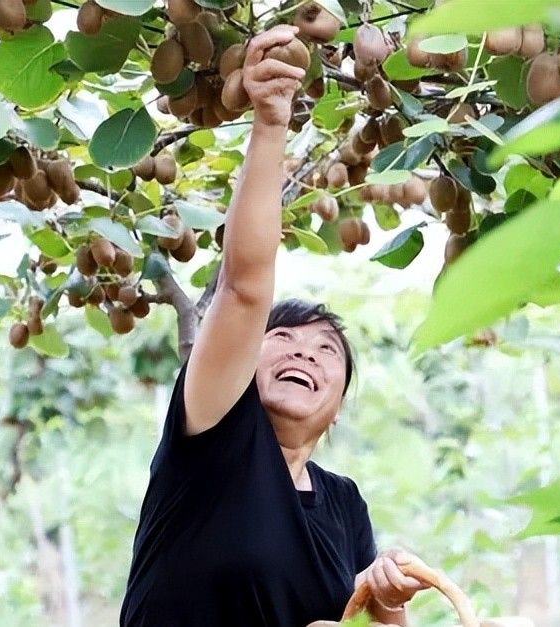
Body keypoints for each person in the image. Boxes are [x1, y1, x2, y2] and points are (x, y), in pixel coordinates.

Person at [119, 25, 432, 627]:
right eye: (282, 339)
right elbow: (242, 290)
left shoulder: (343, 504)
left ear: (338, 405)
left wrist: (387, 604)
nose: (305, 354)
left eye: (326, 351)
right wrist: (269, 123)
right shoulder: (213, 433)